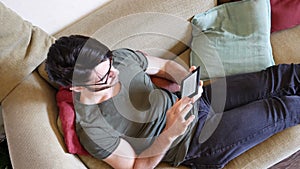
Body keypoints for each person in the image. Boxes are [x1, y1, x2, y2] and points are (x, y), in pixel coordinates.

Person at [45, 35, 300, 169]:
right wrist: (169, 132)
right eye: (105, 76)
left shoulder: (120, 59)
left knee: (276, 77)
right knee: (281, 108)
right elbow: (136, 167)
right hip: (193, 142)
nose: (116, 72)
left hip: (194, 101)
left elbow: (165, 66)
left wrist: (186, 78)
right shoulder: (93, 129)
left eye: (110, 62)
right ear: (76, 87)